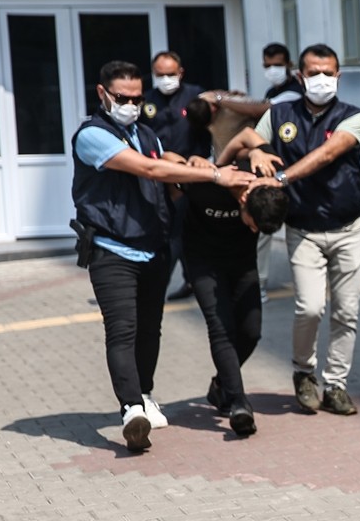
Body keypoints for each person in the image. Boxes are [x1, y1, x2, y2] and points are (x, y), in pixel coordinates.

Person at [70, 60, 253, 452]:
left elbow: (165, 168)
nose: (131, 105)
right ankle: (131, 409)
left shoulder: (145, 132)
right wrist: (215, 175)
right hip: (111, 249)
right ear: (102, 94)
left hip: (152, 247)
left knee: (150, 329)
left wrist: (193, 166)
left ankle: (145, 393)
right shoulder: (92, 135)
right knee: (123, 329)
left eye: (137, 98)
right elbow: (149, 170)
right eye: (123, 98)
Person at [226, 44, 360, 418]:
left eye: (328, 73)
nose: (321, 79)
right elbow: (249, 141)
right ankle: (304, 373)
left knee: (347, 312)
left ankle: (336, 384)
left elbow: (328, 153)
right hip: (303, 229)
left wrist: (280, 177)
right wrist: (255, 153)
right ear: (300, 76)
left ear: (338, 76)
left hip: (348, 228)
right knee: (309, 307)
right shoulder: (279, 114)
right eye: (313, 72)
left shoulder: (354, 117)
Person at [177, 96, 290, 437]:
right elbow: (174, 165)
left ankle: (221, 384)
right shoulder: (209, 186)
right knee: (221, 327)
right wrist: (204, 168)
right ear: (243, 202)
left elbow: (249, 138)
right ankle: (239, 402)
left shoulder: (264, 177)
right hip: (202, 261)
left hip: (241, 263)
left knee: (251, 332)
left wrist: (257, 150)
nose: (253, 231)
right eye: (252, 224)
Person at [209, 43, 305, 304]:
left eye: (277, 65)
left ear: (289, 65)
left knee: (265, 229)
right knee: (259, 229)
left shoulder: (294, 92)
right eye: (267, 65)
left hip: (281, 170)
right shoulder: (273, 91)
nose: (272, 70)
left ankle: (258, 283)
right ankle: (252, 282)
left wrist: (221, 100)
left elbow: (258, 111)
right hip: (268, 165)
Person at [141, 51, 206, 301]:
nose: (166, 79)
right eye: (160, 74)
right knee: (171, 231)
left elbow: (209, 129)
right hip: (158, 175)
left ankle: (159, 286)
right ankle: (188, 280)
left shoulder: (195, 96)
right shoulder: (146, 100)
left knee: (178, 232)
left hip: (189, 175)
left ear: (180, 73)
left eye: (170, 74)